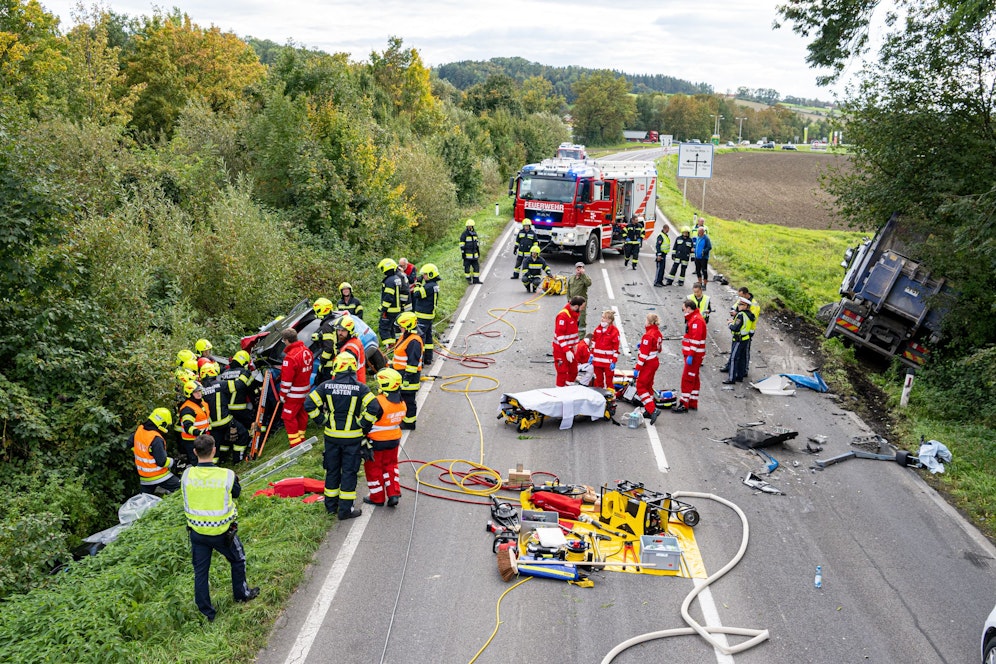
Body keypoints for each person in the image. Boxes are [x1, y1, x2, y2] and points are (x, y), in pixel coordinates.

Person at [181, 434, 259, 622]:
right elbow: (237, 494)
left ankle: (207, 613)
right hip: (222, 532)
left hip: (197, 532)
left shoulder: (187, 475)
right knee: (238, 560)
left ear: (195, 452)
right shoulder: (227, 475)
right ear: (214, 450)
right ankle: (241, 594)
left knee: (201, 572)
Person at [305, 352, 374, 520]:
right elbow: (374, 407)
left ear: (336, 367)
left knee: (332, 471)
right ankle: (345, 510)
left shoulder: (326, 386)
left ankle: (330, 507)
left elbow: (309, 403)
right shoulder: (361, 388)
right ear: (353, 368)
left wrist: (322, 419)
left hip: (332, 438)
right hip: (352, 438)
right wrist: (363, 423)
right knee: (349, 472)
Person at [360, 368, 406, 507]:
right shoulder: (401, 403)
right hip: (394, 441)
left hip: (376, 442)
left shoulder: (377, 402)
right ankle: (393, 493)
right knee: (391, 466)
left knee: (374, 469)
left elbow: (366, 422)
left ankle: (377, 498)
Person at [201, 361, 250, 463]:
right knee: (243, 434)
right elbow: (238, 385)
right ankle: (238, 460)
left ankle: (218, 463)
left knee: (217, 445)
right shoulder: (219, 385)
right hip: (226, 420)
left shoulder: (200, 390)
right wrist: (246, 373)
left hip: (212, 425)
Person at [133, 407, 181, 494]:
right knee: (181, 487)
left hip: (144, 477)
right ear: (162, 423)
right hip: (159, 475)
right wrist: (174, 462)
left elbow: (130, 443)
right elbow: (162, 462)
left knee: (145, 500)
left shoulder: (140, 430)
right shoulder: (156, 439)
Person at [278, 328, 313, 448]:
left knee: (288, 417)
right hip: (305, 390)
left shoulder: (290, 358)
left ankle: (296, 444)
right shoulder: (306, 350)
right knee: (301, 414)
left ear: (287, 340)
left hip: (294, 394)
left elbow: (286, 381)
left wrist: (282, 395)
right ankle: (301, 437)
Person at [392, 312, 423, 430]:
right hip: (402, 375)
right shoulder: (406, 336)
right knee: (403, 399)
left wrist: (406, 379)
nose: (400, 328)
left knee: (409, 400)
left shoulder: (414, 341)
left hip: (409, 378)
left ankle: (410, 423)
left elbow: (412, 363)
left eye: (401, 326)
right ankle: (405, 420)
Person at [675, 298, 707, 413]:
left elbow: (696, 339)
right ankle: (693, 401)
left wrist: (691, 355)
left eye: (684, 309)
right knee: (694, 377)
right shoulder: (694, 319)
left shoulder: (696, 320)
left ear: (689, 308)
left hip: (694, 355)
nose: (683, 312)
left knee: (687, 378)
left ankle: (684, 404)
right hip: (694, 355)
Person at [633, 313, 664, 424]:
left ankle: (652, 409)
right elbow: (659, 349)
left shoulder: (648, 335)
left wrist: (637, 368)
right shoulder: (658, 333)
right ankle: (648, 410)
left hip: (648, 364)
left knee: (640, 386)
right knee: (648, 386)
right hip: (654, 361)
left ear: (649, 322)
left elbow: (643, 355)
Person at [553, 296, 585, 387]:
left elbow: (574, 332)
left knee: (573, 370)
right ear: (576, 306)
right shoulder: (563, 316)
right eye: (582, 307)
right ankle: (559, 391)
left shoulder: (574, 314)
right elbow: (560, 335)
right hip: (560, 349)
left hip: (570, 348)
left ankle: (568, 386)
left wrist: (575, 345)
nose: (582, 309)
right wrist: (566, 350)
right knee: (562, 372)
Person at [411, 263, 440, 365]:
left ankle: (420, 361)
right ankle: (428, 358)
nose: (423, 276)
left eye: (425, 275)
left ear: (431, 274)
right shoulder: (434, 285)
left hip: (423, 316)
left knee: (420, 338)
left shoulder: (428, 286)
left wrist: (418, 284)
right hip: (429, 316)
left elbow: (416, 294)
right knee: (428, 338)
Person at [178, 380, 211, 465]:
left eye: (199, 391)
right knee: (196, 463)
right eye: (195, 392)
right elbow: (187, 427)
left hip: (202, 438)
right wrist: (199, 433)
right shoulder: (187, 408)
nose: (198, 393)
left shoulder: (202, 402)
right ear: (189, 394)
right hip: (192, 441)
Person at [724, 297, 755, 385]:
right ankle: (739, 377)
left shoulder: (741, 315)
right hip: (746, 339)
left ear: (746, 306)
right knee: (742, 359)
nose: (739, 306)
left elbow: (736, 328)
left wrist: (730, 324)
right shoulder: (750, 315)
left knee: (734, 358)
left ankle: (731, 379)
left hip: (738, 339)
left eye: (741, 304)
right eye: (739, 304)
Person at [225, 350, 255, 436]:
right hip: (240, 408)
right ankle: (253, 442)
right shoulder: (244, 373)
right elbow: (251, 389)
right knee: (251, 425)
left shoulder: (225, 373)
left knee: (235, 430)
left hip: (227, 410)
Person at [378, 257, 405, 349]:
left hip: (390, 310)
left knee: (384, 328)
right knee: (394, 329)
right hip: (397, 309)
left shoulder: (389, 281)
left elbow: (388, 297)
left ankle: (389, 347)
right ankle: (395, 346)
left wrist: (383, 309)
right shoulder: (396, 278)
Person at [591, 310, 620, 389]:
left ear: (610, 320)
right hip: (597, 360)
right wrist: (591, 354)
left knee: (609, 381)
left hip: (607, 362)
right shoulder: (598, 329)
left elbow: (616, 349)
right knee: (598, 380)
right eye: (602, 317)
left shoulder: (614, 332)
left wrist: (614, 361)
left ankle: (611, 396)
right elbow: (593, 342)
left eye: (604, 318)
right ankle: (600, 396)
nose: (602, 319)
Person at [312, 297, 338, 384]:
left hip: (329, 364)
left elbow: (328, 347)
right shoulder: (334, 320)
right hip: (337, 360)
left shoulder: (326, 325)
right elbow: (333, 337)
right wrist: (320, 337)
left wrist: (322, 361)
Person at [335, 315, 367, 384]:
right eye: (338, 330)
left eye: (343, 330)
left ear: (350, 331)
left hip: (351, 384)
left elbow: (345, 371)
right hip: (356, 382)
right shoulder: (353, 341)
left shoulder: (350, 348)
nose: (340, 333)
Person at [565, 262, 593, 334]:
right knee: (572, 319)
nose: (578, 269)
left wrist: (583, 275)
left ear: (583, 269)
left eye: (580, 268)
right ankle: (572, 335)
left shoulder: (585, 278)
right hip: (572, 303)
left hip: (581, 304)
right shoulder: (571, 278)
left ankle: (581, 338)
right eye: (577, 268)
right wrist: (569, 299)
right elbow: (568, 290)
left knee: (581, 320)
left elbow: (588, 283)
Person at [460, 219, 482, 284]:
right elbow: (462, 244)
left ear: (472, 226)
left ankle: (476, 280)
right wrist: (463, 253)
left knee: (476, 267)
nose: (470, 227)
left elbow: (477, 243)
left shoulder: (475, 234)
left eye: (471, 226)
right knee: (467, 268)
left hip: (474, 255)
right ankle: (468, 280)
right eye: (468, 226)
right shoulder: (464, 234)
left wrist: (478, 251)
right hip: (467, 255)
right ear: (467, 227)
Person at [653, 223, 671, 287]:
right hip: (661, 254)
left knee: (662, 269)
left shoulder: (665, 235)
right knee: (659, 268)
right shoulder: (661, 236)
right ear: (665, 229)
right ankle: (656, 282)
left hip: (664, 254)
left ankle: (660, 281)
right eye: (668, 229)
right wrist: (659, 255)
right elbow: (658, 246)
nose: (668, 230)